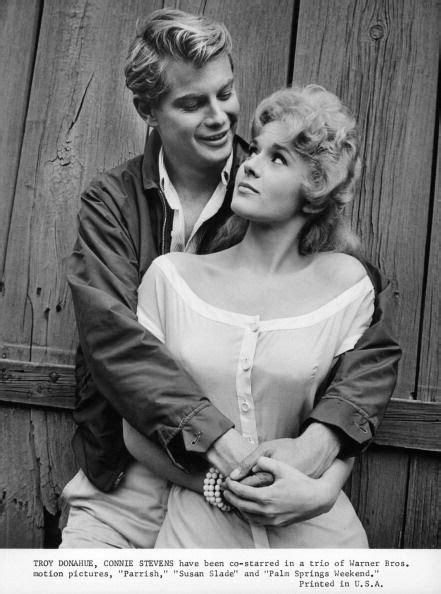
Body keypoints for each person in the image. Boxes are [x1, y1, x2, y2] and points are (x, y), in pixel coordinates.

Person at [60, 9, 400, 548]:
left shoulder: (271, 184)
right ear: (148, 110)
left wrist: (322, 462)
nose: (220, 116)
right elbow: (115, 341)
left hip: (263, 487)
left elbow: (361, 334)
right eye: (193, 103)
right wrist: (223, 450)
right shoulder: (113, 204)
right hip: (128, 471)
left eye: (226, 92)